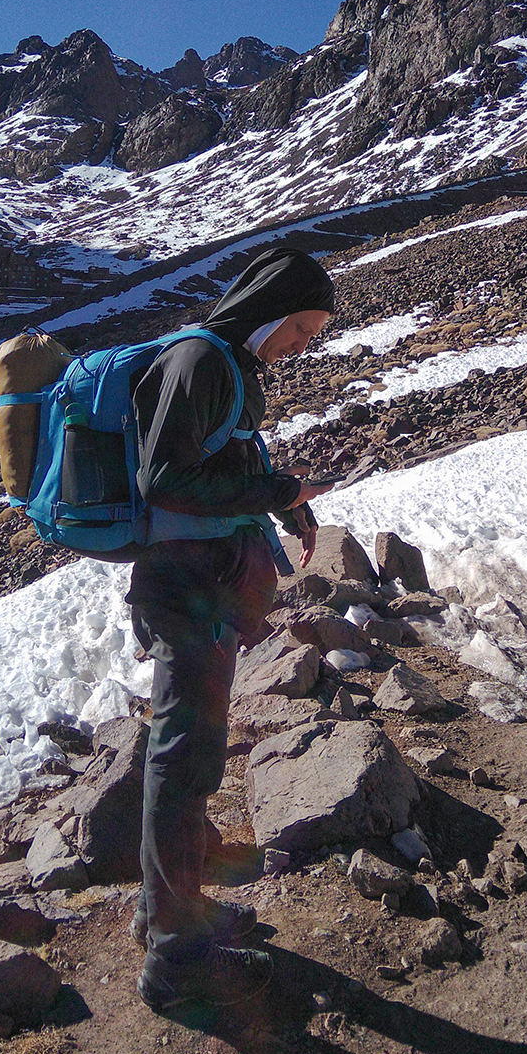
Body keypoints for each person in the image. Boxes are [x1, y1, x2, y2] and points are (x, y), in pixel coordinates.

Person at [128, 246, 336, 1011]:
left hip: (203, 581)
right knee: (183, 761)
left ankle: (168, 908)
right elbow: (165, 477)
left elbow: (228, 458)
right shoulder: (199, 360)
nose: (303, 344)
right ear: (274, 309)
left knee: (189, 751)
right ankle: (175, 962)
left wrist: (289, 504)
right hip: (182, 585)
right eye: (303, 328)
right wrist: (277, 487)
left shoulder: (229, 366)